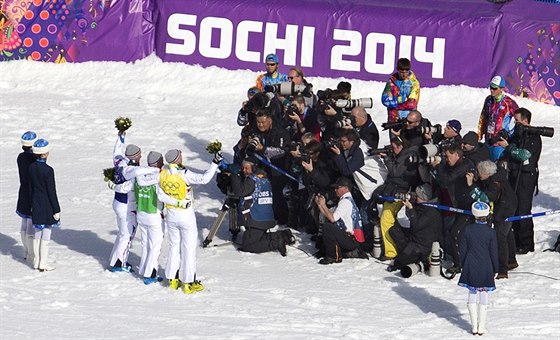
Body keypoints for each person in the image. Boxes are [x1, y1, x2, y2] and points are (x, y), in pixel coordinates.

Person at [160, 148, 220, 294]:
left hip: (171, 214)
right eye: (180, 156)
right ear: (177, 159)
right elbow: (204, 179)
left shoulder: (163, 174)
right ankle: (189, 282)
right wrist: (215, 163)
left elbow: (160, 194)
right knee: (189, 248)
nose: (182, 157)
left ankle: (172, 279)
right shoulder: (184, 174)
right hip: (185, 215)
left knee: (174, 246)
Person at [132, 151, 185, 285]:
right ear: (158, 163)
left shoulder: (140, 174)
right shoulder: (159, 177)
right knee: (155, 246)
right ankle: (150, 274)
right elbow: (163, 195)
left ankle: (144, 269)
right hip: (154, 214)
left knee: (146, 244)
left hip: (141, 213)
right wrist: (178, 202)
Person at [496, 108, 542, 254]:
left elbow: (523, 155)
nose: (515, 123)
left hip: (526, 177)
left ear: (525, 121)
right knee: (513, 207)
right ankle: (515, 240)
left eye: (517, 120)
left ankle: (527, 243)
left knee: (523, 209)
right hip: (514, 174)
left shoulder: (533, 137)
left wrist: (508, 147)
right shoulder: (518, 135)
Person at [229, 157, 294, 256]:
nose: (244, 171)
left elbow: (239, 191)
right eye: (243, 168)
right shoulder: (263, 178)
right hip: (264, 218)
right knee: (256, 239)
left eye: (246, 168)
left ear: (253, 167)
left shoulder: (252, 180)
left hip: (256, 219)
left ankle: (276, 242)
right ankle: (283, 235)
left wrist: (234, 175)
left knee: (248, 246)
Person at [108, 133, 152, 272]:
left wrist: (121, 138)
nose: (141, 157)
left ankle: (114, 259)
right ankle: (119, 264)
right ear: (135, 157)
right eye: (139, 155)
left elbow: (116, 150)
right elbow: (142, 171)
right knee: (127, 234)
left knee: (122, 233)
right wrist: (160, 170)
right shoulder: (130, 170)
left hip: (118, 203)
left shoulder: (119, 161)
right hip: (126, 206)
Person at [467, 160, 518, 279]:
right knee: (508, 233)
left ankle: (502, 269)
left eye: (479, 173)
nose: (478, 175)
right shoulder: (495, 175)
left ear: (486, 173)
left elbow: (486, 197)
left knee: (501, 236)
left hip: (505, 209)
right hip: (508, 204)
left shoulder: (495, 183)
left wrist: (471, 186)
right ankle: (511, 260)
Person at [376, 136, 421, 261]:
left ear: (400, 146)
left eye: (394, 147)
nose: (393, 149)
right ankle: (394, 246)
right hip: (395, 189)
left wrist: (387, 159)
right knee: (388, 218)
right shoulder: (405, 154)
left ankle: (391, 252)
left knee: (386, 218)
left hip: (400, 191)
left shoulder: (407, 157)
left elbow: (396, 172)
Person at [458, 201, 499, 336]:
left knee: (472, 294)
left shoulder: (467, 230)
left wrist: (463, 264)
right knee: (484, 295)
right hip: (486, 265)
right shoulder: (491, 232)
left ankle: (474, 326)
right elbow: (494, 252)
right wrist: (496, 268)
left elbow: (462, 250)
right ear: (487, 215)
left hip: (470, 264)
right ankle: (481, 327)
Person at [387, 183, 442, 273]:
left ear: (424, 197)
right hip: (415, 236)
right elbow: (411, 218)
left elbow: (416, 225)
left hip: (422, 245)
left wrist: (411, 208)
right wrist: (409, 206)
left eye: (418, 196)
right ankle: (407, 253)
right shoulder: (422, 206)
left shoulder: (432, 212)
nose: (415, 197)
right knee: (394, 230)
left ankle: (413, 258)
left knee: (400, 261)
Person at [314, 177, 367, 264]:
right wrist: (320, 205)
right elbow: (329, 214)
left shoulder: (345, 202)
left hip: (351, 239)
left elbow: (332, 218)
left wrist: (323, 205)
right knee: (322, 246)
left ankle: (334, 257)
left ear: (345, 188)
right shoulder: (345, 200)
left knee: (328, 227)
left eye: (337, 187)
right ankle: (343, 253)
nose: (335, 190)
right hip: (349, 237)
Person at [28, 138, 61, 271]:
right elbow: (51, 191)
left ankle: (36, 261)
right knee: (46, 232)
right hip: (47, 204)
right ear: (44, 153)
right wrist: (56, 209)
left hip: (36, 202)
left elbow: (30, 188)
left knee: (37, 232)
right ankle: (43, 262)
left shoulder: (31, 167)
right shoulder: (48, 170)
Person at [477, 75, 519, 161]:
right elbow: (483, 117)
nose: (492, 90)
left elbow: (520, 118)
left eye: (495, 88)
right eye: (491, 87)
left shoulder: (509, 103)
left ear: (501, 89)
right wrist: (479, 135)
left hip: (499, 143)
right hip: (488, 140)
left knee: (497, 168)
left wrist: (510, 134)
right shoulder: (488, 100)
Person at [16, 131, 38, 262]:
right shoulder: (34, 160)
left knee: (24, 221)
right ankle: (31, 253)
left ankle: (26, 250)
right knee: (30, 222)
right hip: (32, 192)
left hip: (23, 190)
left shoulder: (20, 157)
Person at [381, 58, 421, 123]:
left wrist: (394, 104)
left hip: (409, 120)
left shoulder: (414, 83)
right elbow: (385, 100)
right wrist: (403, 102)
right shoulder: (391, 81)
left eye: (406, 72)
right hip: (393, 119)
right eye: (402, 72)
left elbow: (412, 103)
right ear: (397, 69)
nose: (404, 74)